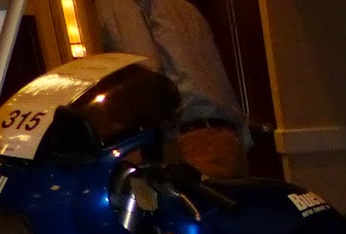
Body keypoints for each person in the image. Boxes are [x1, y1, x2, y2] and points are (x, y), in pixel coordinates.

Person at [94, 0, 250, 179]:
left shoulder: (118, 5)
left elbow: (146, 72)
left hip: (192, 139)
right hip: (227, 134)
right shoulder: (183, 6)